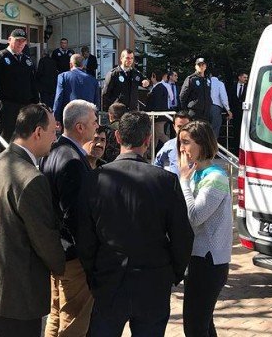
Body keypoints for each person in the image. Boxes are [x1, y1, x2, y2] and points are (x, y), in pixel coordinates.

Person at [76, 111, 194, 336]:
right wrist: (172, 273)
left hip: (110, 279)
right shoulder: (165, 181)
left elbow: (85, 236)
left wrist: (95, 273)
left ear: (117, 137)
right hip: (152, 282)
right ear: (148, 140)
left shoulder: (95, 178)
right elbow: (182, 236)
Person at [0, 104, 65, 337]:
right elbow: (43, 236)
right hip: (19, 294)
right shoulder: (31, 178)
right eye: (53, 131)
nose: (56, 138)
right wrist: (61, 266)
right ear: (37, 132)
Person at [41, 100, 98, 337]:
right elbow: (76, 216)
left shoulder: (52, 151)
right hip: (73, 257)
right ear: (80, 127)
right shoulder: (73, 160)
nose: (98, 127)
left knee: (56, 315)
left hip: (58, 251)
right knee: (74, 322)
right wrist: (89, 257)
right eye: (94, 122)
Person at [177, 120, 233, 337]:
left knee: (195, 327)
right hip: (196, 258)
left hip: (210, 262)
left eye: (186, 142)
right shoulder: (194, 175)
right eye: (180, 143)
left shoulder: (216, 177)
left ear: (202, 143)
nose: (182, 148)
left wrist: (183, 181)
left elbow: (195, 216)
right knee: (202, 324)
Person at [0, 28, 39, 143]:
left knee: (24, 137)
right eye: (18, 40)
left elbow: (33, 83)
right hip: (7, 105)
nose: (21, 43)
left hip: (25, 105)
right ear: (9, 40)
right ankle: (1, 159)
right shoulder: (0, 58)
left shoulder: (27, 60)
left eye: (23, 41)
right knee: (5, 137)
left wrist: (36, 102)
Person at [52, 54, 101, 123]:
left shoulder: (63, 77)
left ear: (70, 64)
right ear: (83, 65)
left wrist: (56, 118)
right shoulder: (93, 80)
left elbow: (58, 98)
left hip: (69, 118)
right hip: (88, 119)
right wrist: (95, 121)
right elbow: (97, 103)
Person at [154, 110, 192, 175]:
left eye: (186, 126)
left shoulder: (197, 144)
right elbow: (157, 163)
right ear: (174, 127)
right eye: (179, 126)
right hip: (175, 182)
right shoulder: (169, 145)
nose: (183, 129)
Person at [180, 58, 212, 122]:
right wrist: (186, 111)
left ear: (205, 66)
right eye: (199, 65)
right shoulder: (191, 79)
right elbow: (182, 96)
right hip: (194, 113)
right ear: (195, 66)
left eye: (203, 65)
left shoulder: (207, 80)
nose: (201, 67)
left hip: (206, 113)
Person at [227, 72, 248, 154]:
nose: (246, 79)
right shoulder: (232, 86)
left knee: (244, 132)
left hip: (245, 113)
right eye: (244, 77)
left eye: (246, 77)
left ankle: (242, 151)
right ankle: (235, 152)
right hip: (235, 113)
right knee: (236, 132)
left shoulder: (248, 87)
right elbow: (230, 99)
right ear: (239, 77)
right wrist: (229, 112)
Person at [209, 75, 232, 139]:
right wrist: (228, 110)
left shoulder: (205, 82)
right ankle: (212, 147)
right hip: (215, 108)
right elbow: (223, 97)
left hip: (203, 108)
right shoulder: (220, 83)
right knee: (214, 130)